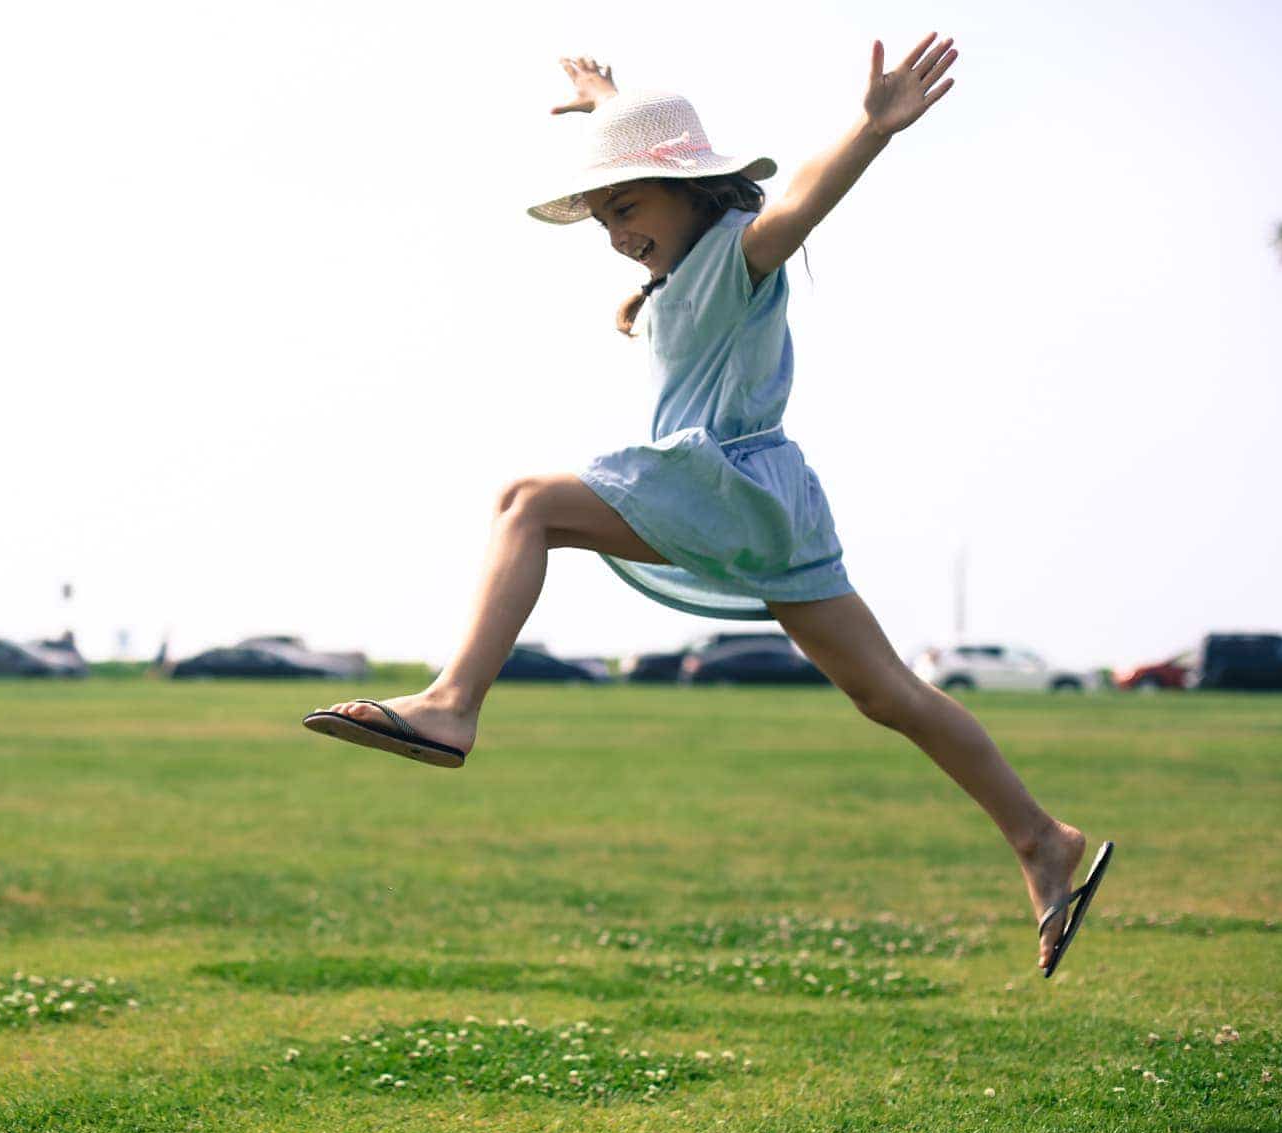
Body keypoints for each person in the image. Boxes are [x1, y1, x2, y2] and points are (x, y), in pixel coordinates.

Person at [305, 35, 1111, 976]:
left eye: (628, 205)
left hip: (717, 481)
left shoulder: (738, 250)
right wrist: (610, 104)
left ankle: (451, 705)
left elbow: (804, 195)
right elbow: (656, 180)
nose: (615, 231)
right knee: (885, 692)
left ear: (693, 192)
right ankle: (1040, 841)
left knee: (526, 502)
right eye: (603, 215)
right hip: (763, 508)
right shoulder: (675, 279)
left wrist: (872, 127)